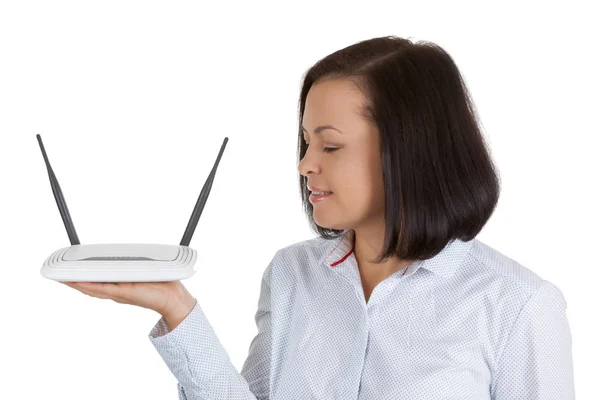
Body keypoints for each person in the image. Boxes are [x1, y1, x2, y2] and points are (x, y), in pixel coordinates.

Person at [61, 35, 575, 399]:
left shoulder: (518, 306)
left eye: (330, 145)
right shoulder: (292, 275)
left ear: (408, 151)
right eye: (306, 142)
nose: (306, 165)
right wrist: (175, 307)